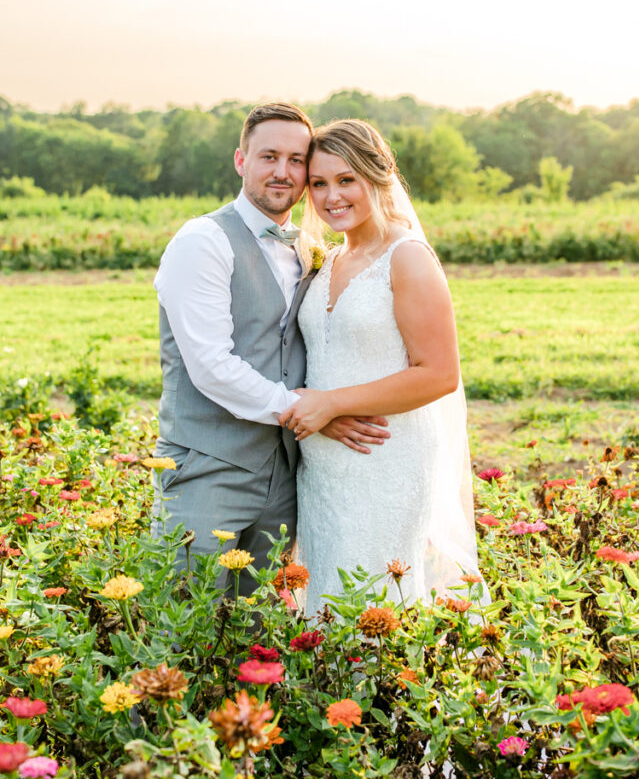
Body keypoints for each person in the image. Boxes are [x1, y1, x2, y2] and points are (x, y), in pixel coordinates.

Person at [151, 104, 389, 594]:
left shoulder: (308, 247)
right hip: (205, 469)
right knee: (182, 624)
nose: (283, 172)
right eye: (268, 157)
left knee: (258, 633)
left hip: (283, 478)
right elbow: (211, 365)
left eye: (297, 160)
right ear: (241, 161)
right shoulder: (203, 241)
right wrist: (311, 411)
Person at [280, 119, 481, 615]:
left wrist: (330, 404)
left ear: (379, 175)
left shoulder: (407, 257)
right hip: (324, 466)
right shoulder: (328, 260)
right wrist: (320, 412)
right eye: (320, 184)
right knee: (327, 600)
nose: (331, 197)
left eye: (346, 180)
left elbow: (438, 373)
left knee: (374, 604)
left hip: (385, 457)